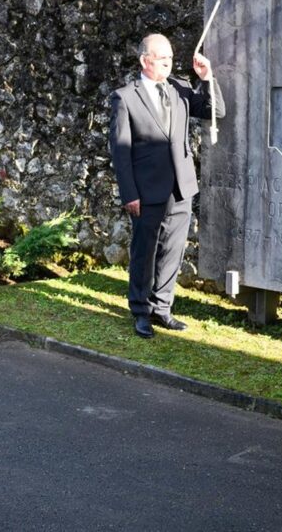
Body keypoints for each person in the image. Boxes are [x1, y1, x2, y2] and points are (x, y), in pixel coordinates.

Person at [108, 33, 223, 339]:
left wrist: (207, 78)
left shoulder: (180, 87)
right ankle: (141, 311)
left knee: (173, 251)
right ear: (145, 61)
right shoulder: (125, 97)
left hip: (181, 188)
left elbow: (215, 111)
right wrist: (129, 193)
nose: (170, 63)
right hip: (146, 191)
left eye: (171, 57)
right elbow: (120, 151)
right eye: (163, 59)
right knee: (145, 252)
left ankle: (162, 309)